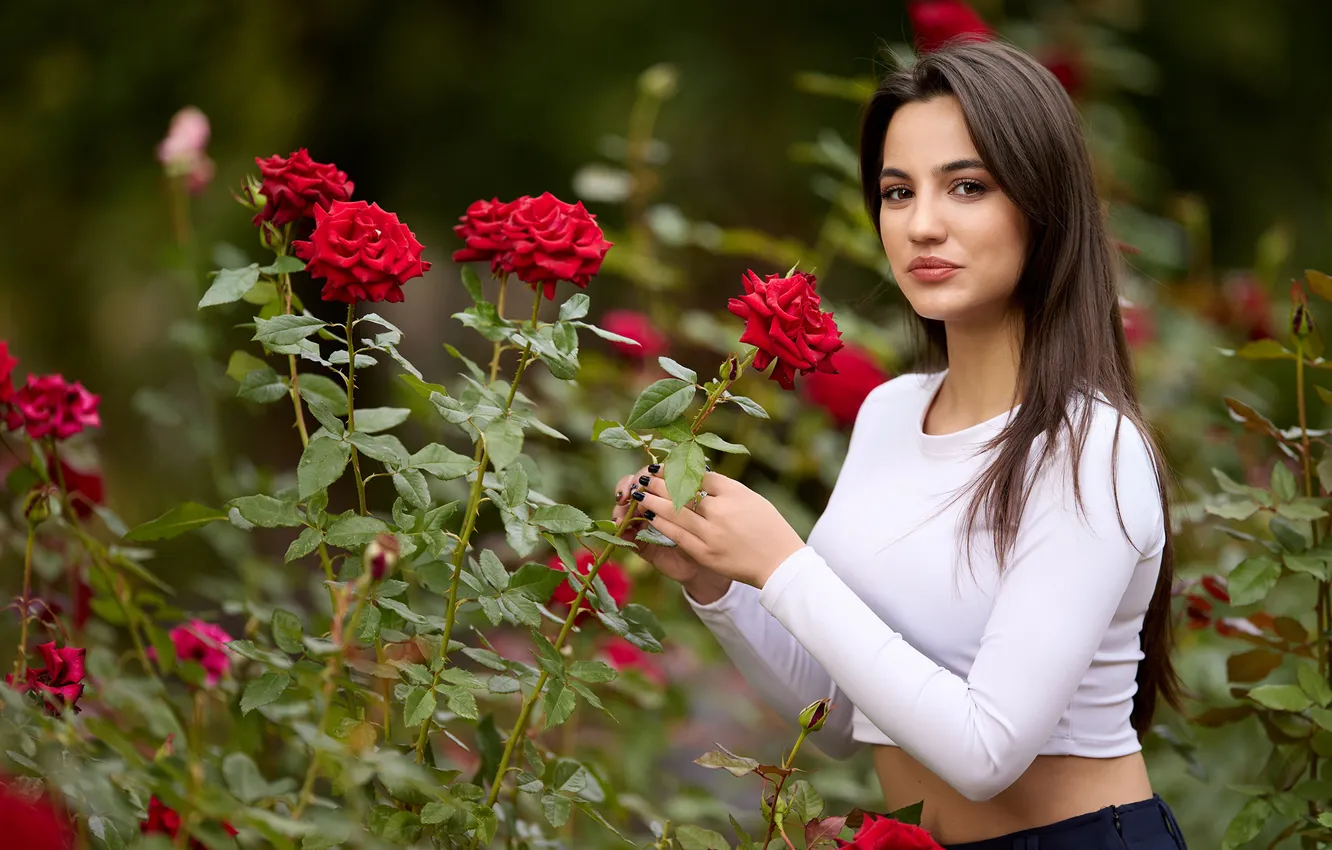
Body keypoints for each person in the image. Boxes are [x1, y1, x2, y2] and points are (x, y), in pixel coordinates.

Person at [610, 39, 1189, 850]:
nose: (921, 224)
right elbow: (842, 717)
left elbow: (985, 752)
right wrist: (721, 582)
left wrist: (782, 564)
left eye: (967, 186)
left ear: (1043, 201)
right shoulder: (891, 412)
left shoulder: (1089, 446)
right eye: (895, 191)